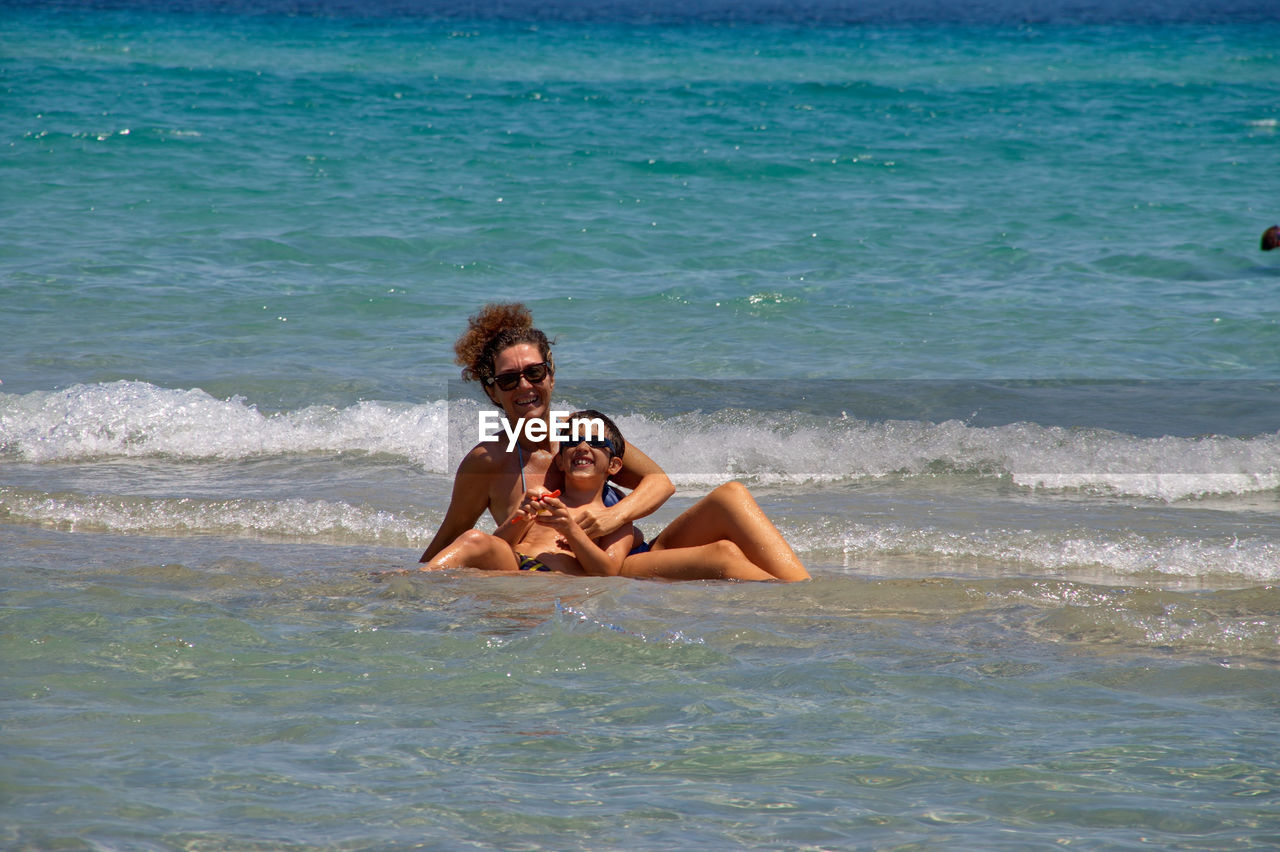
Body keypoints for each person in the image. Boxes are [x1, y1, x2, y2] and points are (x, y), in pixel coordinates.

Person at [419, 303, 810, 582]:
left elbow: (659, 481)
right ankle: (792, 608)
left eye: (534, 372)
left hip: (623, 554)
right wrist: (408, 584)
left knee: (732, 496)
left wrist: (612, 517)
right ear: (492, 392)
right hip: (579, 571)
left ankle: (800, 595)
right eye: (509, 380)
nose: (524, 386)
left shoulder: (584, 433)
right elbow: (453, 536)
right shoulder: (488, 460)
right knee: (723, 556)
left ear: (550, 374)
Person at [422, 410, 778, 581]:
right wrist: (521, 517)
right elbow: (501, 544)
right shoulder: (542, 494)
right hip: (517, 566)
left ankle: (788, 596)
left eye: (595, 443)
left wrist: (572, 529)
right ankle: (420, 581)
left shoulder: (616, 513)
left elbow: (608, 570)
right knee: (473, 539)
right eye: (574, 441)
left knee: (726, 552)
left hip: (558, 578)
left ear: (614, 465)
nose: (583, 446)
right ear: (559, 459)